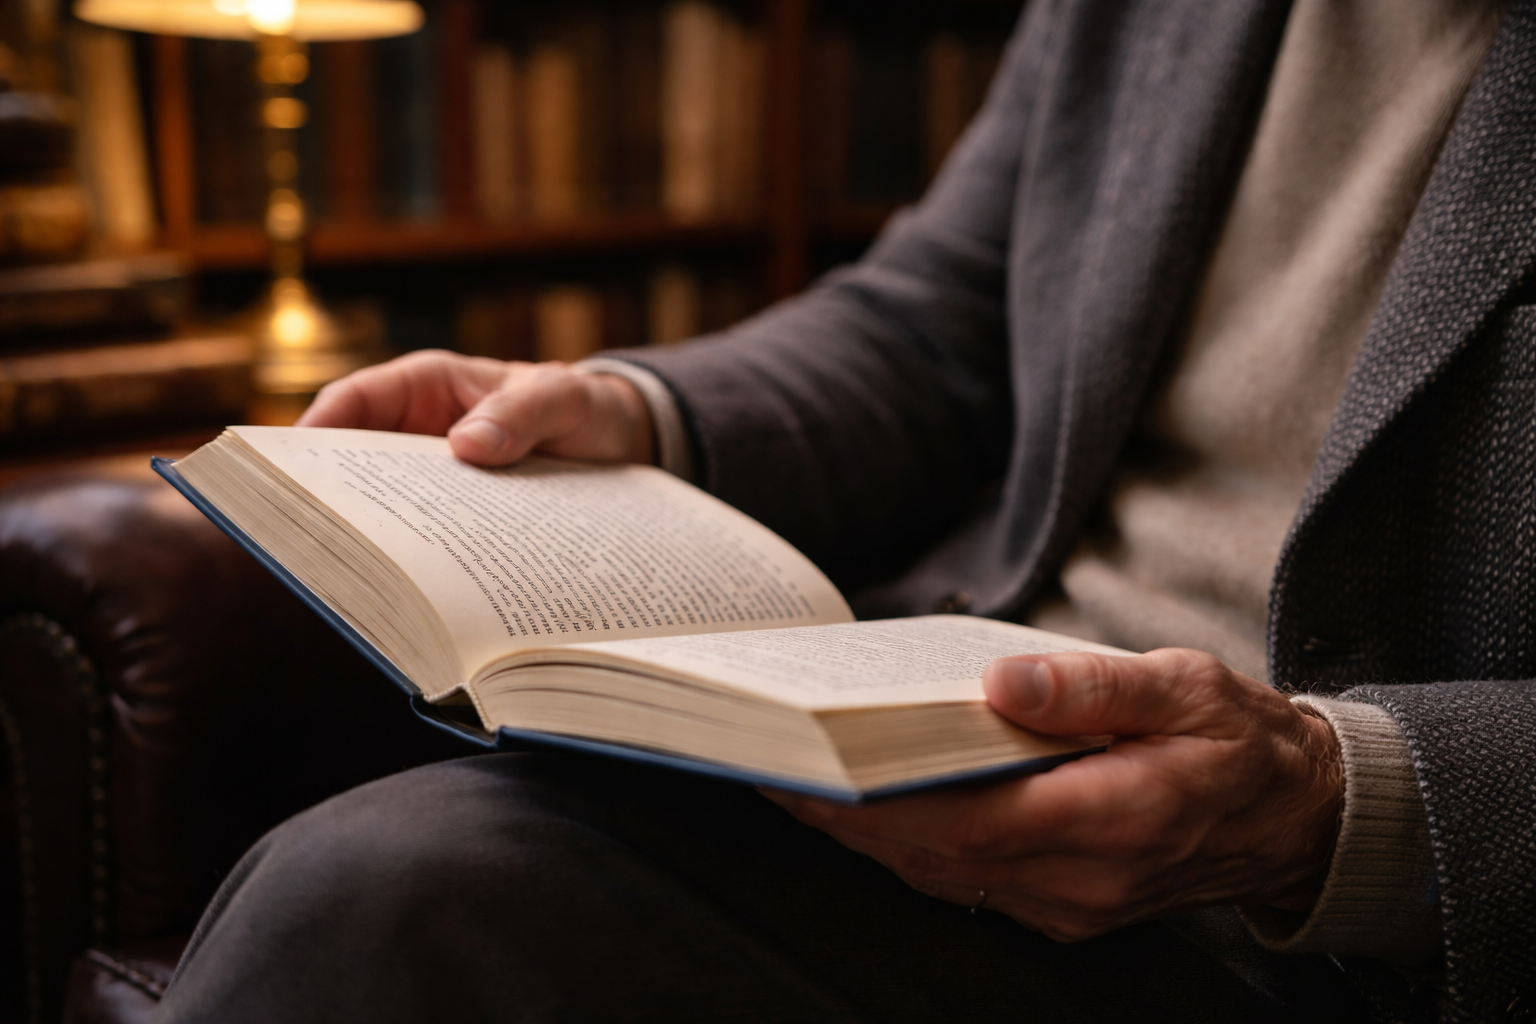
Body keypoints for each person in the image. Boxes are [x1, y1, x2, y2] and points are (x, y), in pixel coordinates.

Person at [155, 0, 1536, 1020]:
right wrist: (623, 411)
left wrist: (1331, 807)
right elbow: (938, 321)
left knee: (396, 900)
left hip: (1371, 926)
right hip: (960, 747)